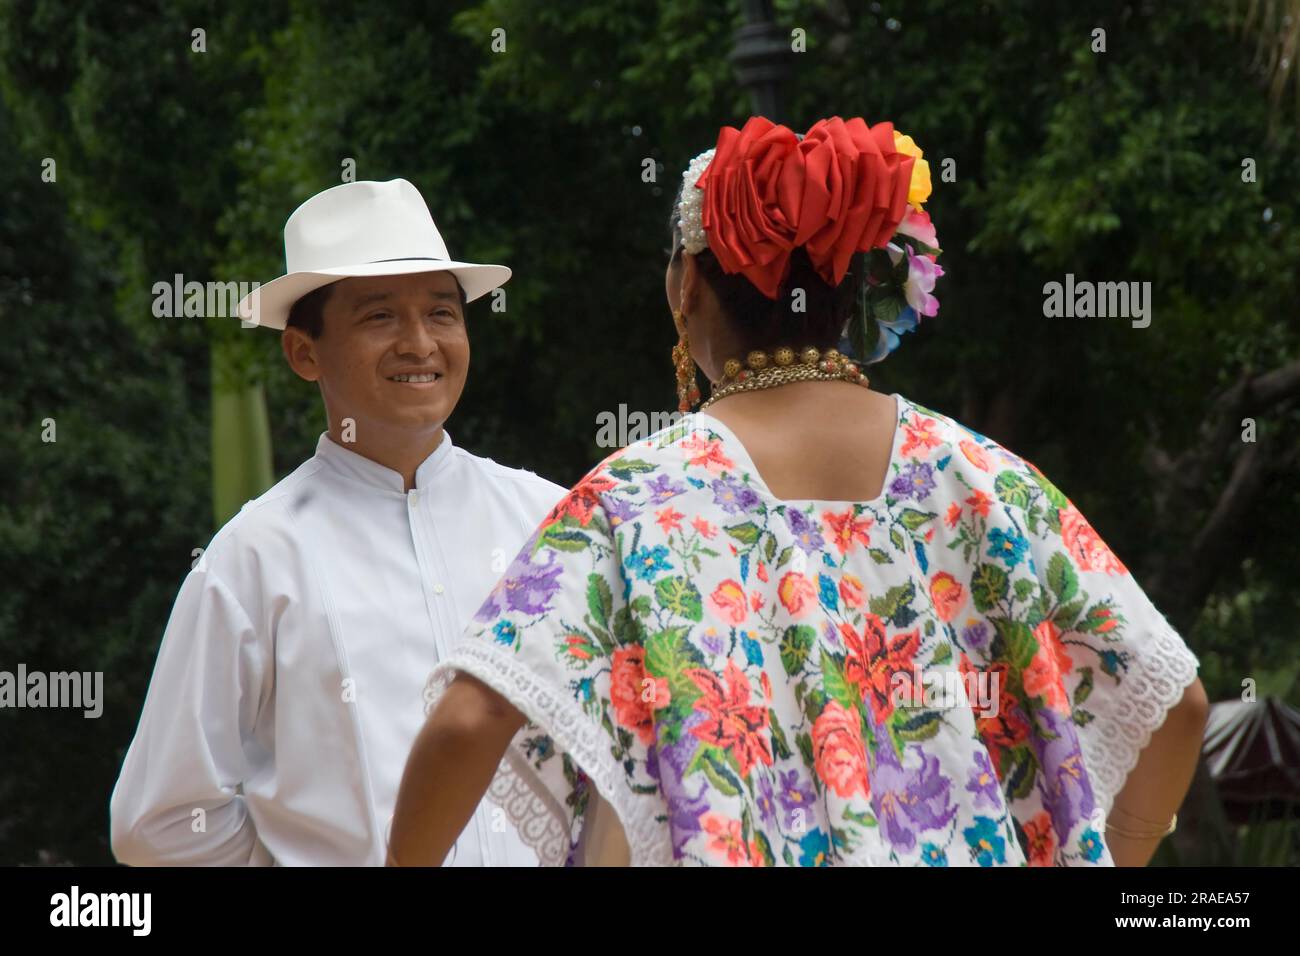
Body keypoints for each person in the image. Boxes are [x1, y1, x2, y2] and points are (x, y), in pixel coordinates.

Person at [388, 117, 1208, 867]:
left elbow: (470, 720)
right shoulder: (988, 482)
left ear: (686, 287)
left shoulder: (638, 500)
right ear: (856, 288)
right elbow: (1179, 702)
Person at [110, 178, 566, 865]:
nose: (420, 344)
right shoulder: (254, 558)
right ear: (303, 352)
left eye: (442, 313)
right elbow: (160, 822)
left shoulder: (551, 521)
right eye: (379, 317)